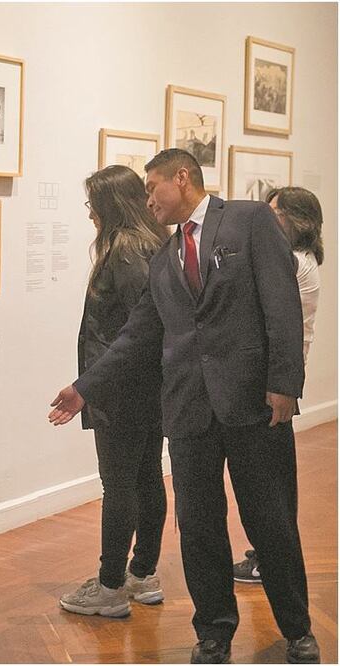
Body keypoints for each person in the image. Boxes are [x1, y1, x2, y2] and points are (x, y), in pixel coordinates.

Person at [49, 149, 319, 664]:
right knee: (198, 528)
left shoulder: (249, 220)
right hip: (189, 411)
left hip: (254, 405)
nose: (147, 198)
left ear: (182, 178)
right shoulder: (162, 258)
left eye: (153, 187)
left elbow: (281, 303)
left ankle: (298, 629)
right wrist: (86, 387)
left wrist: (285, 382)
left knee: (271, 520)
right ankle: (213, 632)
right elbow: (136, 336)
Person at [58, 165, 168, 618]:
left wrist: (88, 386)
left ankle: (110, 587)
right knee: (145, 477)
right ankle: (142, 575)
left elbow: (135, 332)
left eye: (92, 206)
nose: (89, 216)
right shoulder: (153, 243)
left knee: (120, 484)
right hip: (148, 385)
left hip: (124, 389)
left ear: (109, 206)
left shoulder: (124, 251)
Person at [232, 186, 325, 586]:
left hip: (274, 384)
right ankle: (268, 556)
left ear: (295, 220)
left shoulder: (292, 262)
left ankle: (270, 560)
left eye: (274, 214)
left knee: (270, 488)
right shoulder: (301, 260)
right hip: (280, 380)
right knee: (274, 484)